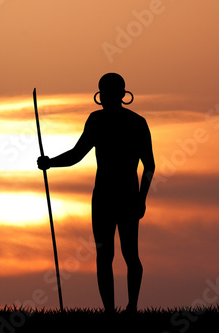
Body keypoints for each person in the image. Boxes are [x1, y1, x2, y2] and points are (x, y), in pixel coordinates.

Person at [37, 73, 155, 314]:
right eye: (104, 92)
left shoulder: (136, 122)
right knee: (106, 253)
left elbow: (150, 165)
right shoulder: (99, 120)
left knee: (128, 252)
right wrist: (51, 163)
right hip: (105, 197)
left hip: (124, 196)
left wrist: (141, 199)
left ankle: (131, 307)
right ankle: (110, 312)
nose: (105, 98)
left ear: (121, 94)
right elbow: (76, 155)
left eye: (109, 93)